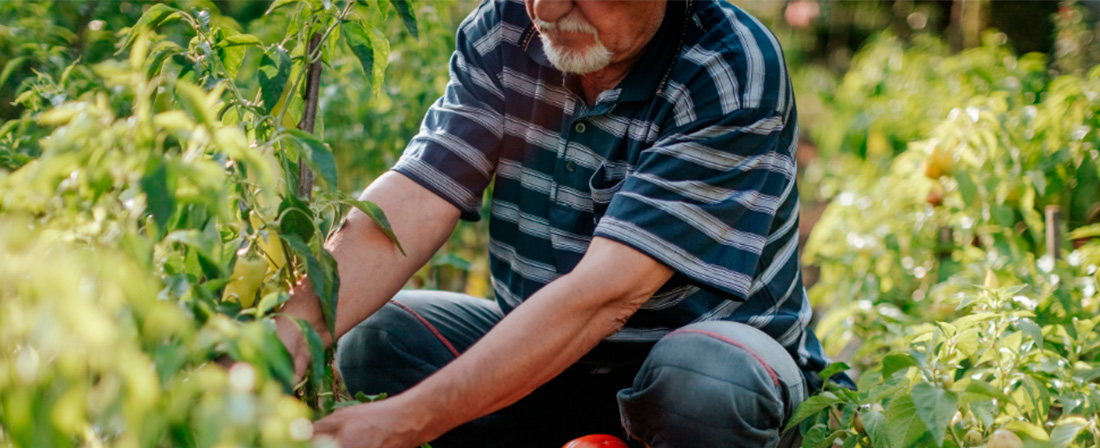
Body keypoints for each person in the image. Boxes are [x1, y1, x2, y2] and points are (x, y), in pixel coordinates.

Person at [275, 0, 846, 446]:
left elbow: (605, 295)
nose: (545, 11)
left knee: (706, 386)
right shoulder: (507, 30)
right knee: (379, 338)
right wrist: (284, 338)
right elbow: (419, 192)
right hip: (552, 367)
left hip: (693, 381)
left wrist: (403, 423)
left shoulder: (727, 69)